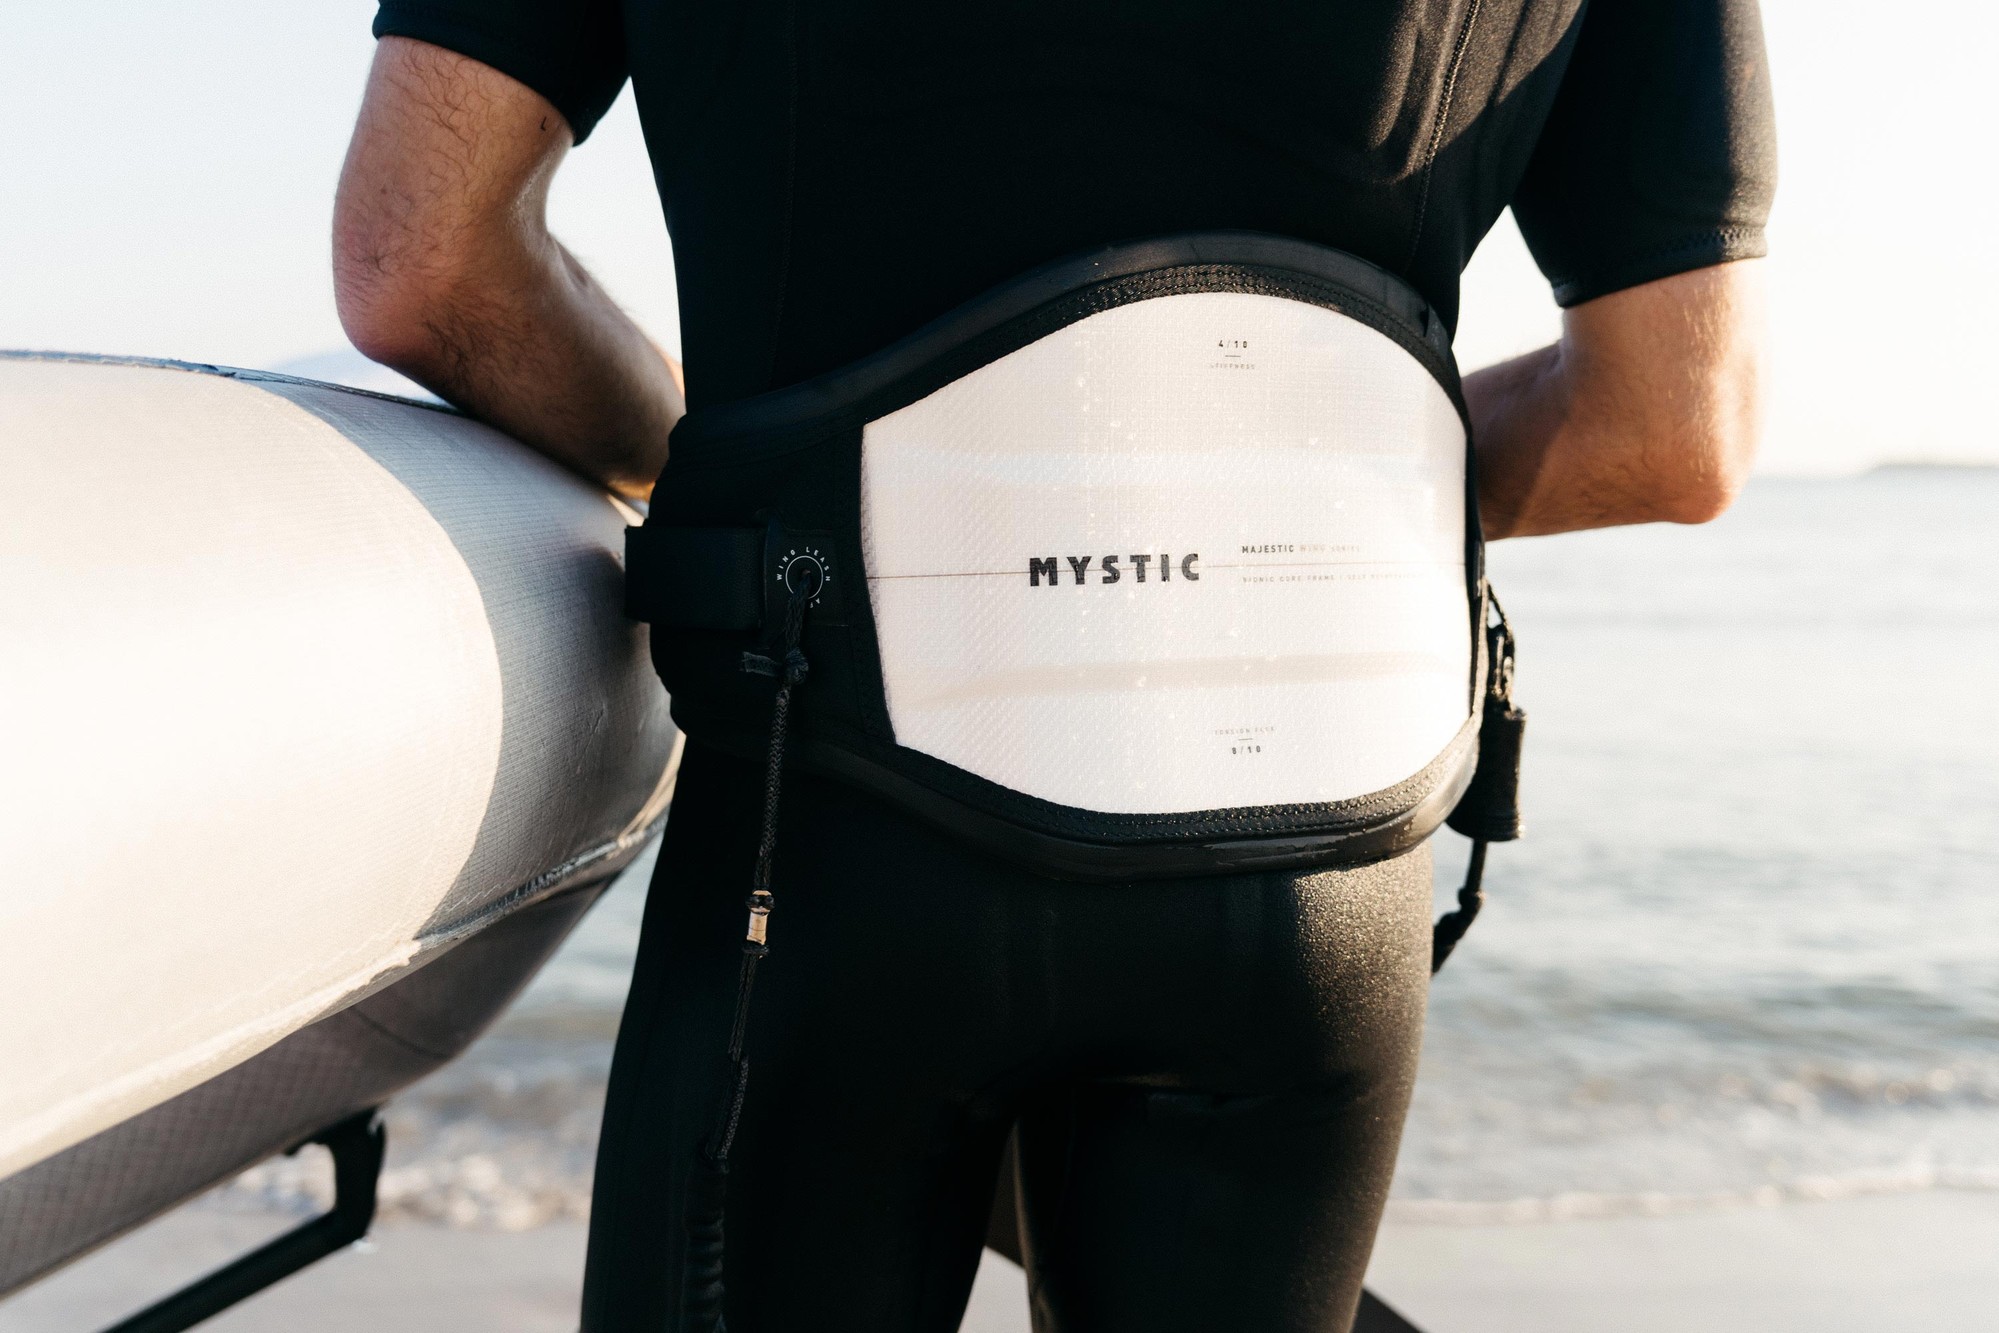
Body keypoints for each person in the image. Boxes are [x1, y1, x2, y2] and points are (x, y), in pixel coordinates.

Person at [333, 4, 1774, 1330]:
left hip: (833, 820)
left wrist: (768, 483)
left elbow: (423, 262)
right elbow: (1671, 425)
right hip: (1312, 867)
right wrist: (1258, 502)